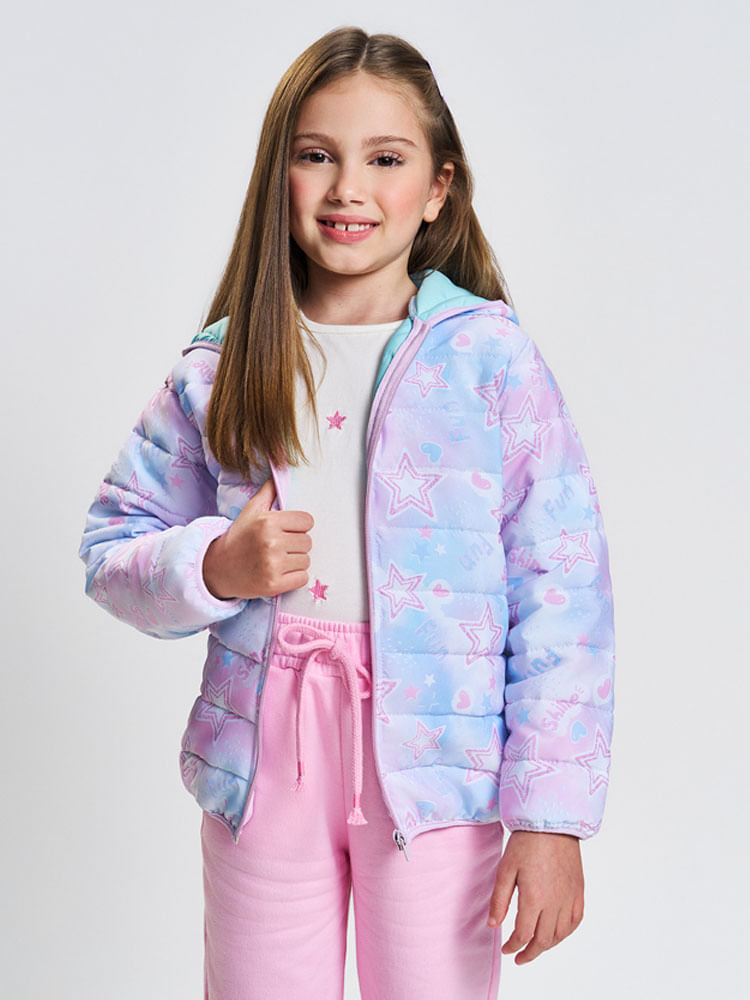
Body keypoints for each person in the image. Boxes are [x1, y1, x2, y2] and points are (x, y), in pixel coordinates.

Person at [79, 25, 615, 1000]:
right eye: (317, 155)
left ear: (439, 188)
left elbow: (564, 587)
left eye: (386, 159)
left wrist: (552, 817)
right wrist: (214, 565)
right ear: (278, 176)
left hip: (438, 771)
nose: (347, 188)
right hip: (264, 760)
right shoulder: (224, 365)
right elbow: (111, 548)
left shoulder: (490, 359)